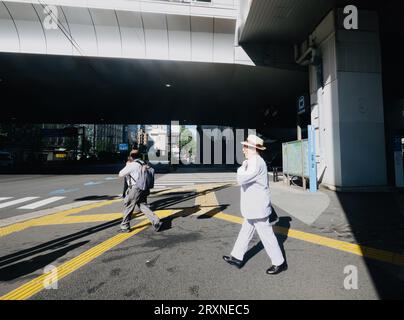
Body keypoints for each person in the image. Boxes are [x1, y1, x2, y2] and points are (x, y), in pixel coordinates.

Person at [223, 134, 287, 275]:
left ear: (254, 148)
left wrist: (241, 168)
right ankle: (236, 257)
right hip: (253, 208)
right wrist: (244, 166)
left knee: (267, 235)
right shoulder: (251, 161)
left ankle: (279, 262)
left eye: (246, 146)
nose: (243, 149)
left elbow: (241, 179)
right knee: (246, 231)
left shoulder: (256, 162)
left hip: (257, 208)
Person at [118, 150, 163, 233]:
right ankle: (156, 221)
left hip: (135, 188)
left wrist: (127, 165)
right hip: (144, 188)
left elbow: (120, 174)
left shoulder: (132, 165)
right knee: (143, 206)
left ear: (131, 156)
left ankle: (125, 226)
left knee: (129, 206)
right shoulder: (143, 163)